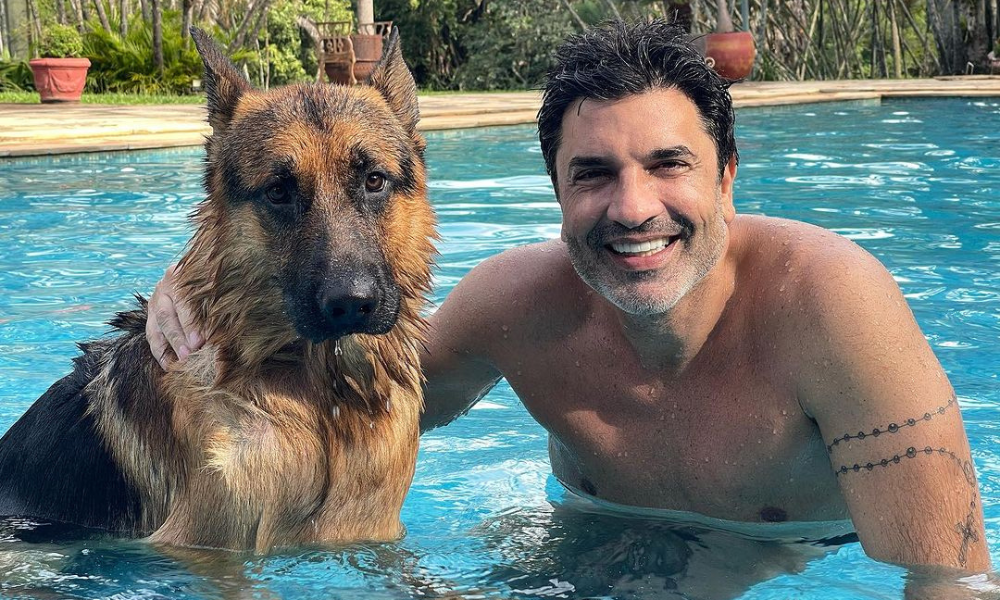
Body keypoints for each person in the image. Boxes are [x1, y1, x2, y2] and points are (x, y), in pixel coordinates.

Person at [147, 20, 990, 576]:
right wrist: (192, 286)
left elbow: (950, 579)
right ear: (556, 191)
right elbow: (342, 382)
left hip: (803, 566)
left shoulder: (834, 309)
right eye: (593, 174)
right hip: (583, 560)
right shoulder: (516, 309)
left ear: (728, 176)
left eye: (668, 164)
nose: (633, 209)